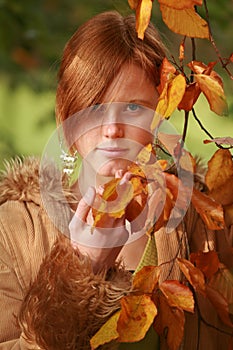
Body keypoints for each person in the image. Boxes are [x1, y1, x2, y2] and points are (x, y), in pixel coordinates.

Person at [0, 10, 232, 350]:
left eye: (134, 108)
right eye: (94, 108)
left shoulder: (207, 221)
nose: (112, 130)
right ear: (68, 121)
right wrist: (82, 271)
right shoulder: (16, 230)